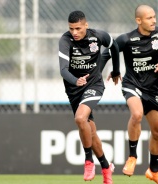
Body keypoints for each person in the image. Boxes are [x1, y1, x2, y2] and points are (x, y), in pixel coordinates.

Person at [101, 4, 158, 184]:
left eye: (154, 17)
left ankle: (154, 171)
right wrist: (114, 70)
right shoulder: (127, 39)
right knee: (137, 114)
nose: (154, 20)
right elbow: (108, 52)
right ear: (138, 20)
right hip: (132, 85)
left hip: (153, 90)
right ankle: (132, 157)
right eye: (149, 18)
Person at [58, 10, 121, 184]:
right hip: (74, 89)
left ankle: (88, 161)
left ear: (86, 25)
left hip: (94, 85)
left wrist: (116, 70)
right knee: (91, 132)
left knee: (80, 118)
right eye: (71, 29)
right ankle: (106, 166)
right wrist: (75, 81)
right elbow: (63, 70)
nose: (74, 32)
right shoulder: (65, 40)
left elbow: (114, 47)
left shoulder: (98, 36)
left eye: (78, 28)